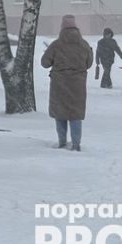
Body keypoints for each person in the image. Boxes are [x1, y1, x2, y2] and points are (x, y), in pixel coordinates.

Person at [42, 15, 93, 151]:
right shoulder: (84, 45)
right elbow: (89, 63)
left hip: (59, 84)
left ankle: (62, 142)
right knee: (75, 115)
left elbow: (44, 63)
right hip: (78, 85)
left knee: (60, 114)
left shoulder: (56, 45)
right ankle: (76, 144)